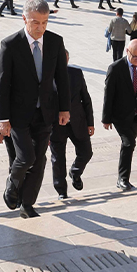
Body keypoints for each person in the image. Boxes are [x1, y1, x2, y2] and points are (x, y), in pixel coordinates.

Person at [0, 0, 71, 219]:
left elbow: (62, 79)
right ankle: (13, 182)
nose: (41, 28)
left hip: (45, 112)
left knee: (40, 159)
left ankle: (27, 204)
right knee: (26, 157)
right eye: (36, 22)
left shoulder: (55, 42)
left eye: (45, 22)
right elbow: (1, 83)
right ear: (24, 18)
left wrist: (64, 109)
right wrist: (2, 118)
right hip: (18, 114)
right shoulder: (10, 45)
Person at [101, 38, 137, 191]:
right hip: (120, 116)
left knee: (128, 146)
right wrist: (106, 118)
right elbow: (109, 95)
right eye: (134, 57)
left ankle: (123, 177)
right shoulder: (115, 68)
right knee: (129, 143)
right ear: (127, 51)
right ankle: (123, 179)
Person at [50, 50, 94, 200]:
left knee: (86, 152)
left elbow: (86, 99)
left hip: (78, 122)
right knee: (58, 159)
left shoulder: (76, 73)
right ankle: (61, 191)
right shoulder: (45, 77)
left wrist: (90, 123)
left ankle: (75, 172)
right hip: (56, 126)